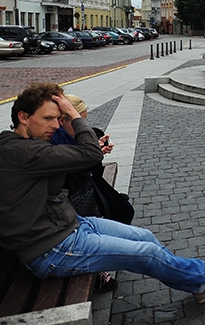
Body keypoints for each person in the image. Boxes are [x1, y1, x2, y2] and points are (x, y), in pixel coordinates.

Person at [0, 82, 205, 304]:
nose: (56, 126)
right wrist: (71, 113)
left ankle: (198, 277)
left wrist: (8, 202)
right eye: (50, 118)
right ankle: (204, 279)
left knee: (144, 238)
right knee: (145, 253)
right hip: (51, 249)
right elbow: (91, 153)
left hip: (70, 226)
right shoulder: (27, 152)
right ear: (23, 116)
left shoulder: (0, 145)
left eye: (59, 118)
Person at [51, 94, 130, 293]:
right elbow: (72, 176)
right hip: (75, 198)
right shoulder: (54, 145)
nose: (81, 125)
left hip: (83, 187)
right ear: (63, 120)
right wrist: (93, 153)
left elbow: (87, 169)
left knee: (123, 210)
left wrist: (97, 151)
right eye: (79, 120)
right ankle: (99, 268)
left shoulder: (67, 138)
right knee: (123, 212)